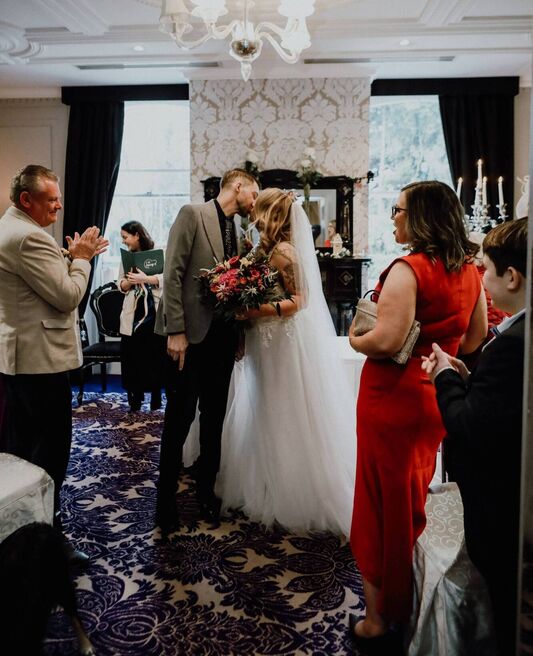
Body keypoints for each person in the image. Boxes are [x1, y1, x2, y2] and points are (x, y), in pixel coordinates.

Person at [347, 180, 487, 648]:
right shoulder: (470, 270)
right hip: (433, 399)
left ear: (422, 215)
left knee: (378, 505)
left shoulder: (408, 269)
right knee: (408, 503)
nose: (393, 216)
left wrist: (354, 338)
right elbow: (472, 340)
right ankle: (402, 602)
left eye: (399, 209)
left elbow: (385, 341)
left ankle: (379, 620)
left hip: (392, 399)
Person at [218, 188, 356, 535]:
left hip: (282, 340)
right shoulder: (262, 250)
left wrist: (253, 310)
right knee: (264, 406)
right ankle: (265, 481)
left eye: (257, 208)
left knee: (282, 407)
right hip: (265, 340)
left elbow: (301, 300)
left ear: (269, 213)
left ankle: (291, 490)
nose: (251, 212)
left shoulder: (285, 253)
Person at [423, 217, 527, 656]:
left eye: (485, 267)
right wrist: (471, 380)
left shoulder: (513, 343)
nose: (481, 276)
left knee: (504, 596)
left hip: (502, 501)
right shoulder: (517, 333)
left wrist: (446, 376)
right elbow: (499, 407)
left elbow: (468, 428)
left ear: (512, 276)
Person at [0, 164, 107, 560]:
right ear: (26, 199)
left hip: (19, 357)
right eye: (51, 199)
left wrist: (68, 255)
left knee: (23, 450)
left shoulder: (8, 227)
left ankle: (22, 535)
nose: (59, 206)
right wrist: (81, 259)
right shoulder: (29, 237)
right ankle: (45, 542)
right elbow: (67, 297)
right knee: (50, 455)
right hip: (40, 361)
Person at [154, 168, 259, 534]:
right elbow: (172, 274)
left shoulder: (240, 231)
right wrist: (176, 330)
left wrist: (240, 335)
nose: (255, 202)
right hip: (189, 340)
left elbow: (236, 290)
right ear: (238, 186)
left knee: (214, 420)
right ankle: (164, 502)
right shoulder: (192, 214)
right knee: (179, 420)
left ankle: (206, 495)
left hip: (222, 340)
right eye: (254, 194)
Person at [118, 220, 164, 412]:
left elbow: (167, 278)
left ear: (137, 235)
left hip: (154, 312)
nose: (124, 241)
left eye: (125, 237)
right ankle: (135, 397)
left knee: (155, 356)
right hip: (133, 313)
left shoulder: (159, 252)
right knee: (133, 357)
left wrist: (145, 279)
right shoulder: (126, 258)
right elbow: (119, 284)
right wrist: (128, 283)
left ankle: (155, 395)